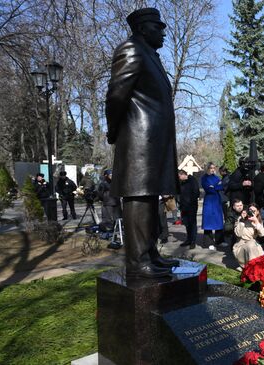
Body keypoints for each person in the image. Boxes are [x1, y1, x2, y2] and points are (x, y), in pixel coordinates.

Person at [105, 7, 179, 277]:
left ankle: (150, 254)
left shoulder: (151, 55)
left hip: (155, 140)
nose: (163, 31)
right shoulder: (131, 49)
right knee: (138, 197)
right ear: (143, 28)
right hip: (138, 139)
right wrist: (114, 131)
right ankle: (137, 263)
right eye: (158, 27)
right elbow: (116, 95)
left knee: (150, 197)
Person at [233, 203, 264, 270]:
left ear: (257, 212)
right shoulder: (241, 219)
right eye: (250, 210)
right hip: (241, 247)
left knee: (252, 245)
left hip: (253, 245)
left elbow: (263, 234)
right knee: (250, 245)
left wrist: (256, 222)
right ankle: (252, 269)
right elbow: (238, 234)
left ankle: (249, 267)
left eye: (253, 211)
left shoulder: (258, 220)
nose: (251, 212)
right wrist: (242, 220)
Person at [201, 162, 225, 250]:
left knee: (219, 221)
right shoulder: (204, 178)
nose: (213, 169)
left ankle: (220, 241)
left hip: (217, 201)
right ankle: (208, 243)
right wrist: (216, 186)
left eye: (214, 168)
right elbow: (208, 189)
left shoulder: (216, 177)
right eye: (211, 168)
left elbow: (221, 186)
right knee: (208, 222)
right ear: (207, 168)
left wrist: (214, 187)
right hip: (209, 201)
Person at [177, 169, 199, 249]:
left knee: (192, 224)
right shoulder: (181, 183)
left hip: (191, 206)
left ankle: (193, 241)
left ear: (183, 174)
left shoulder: (192, 180)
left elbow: (196, 192)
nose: (179, 178)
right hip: (184, 206)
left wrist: (190, 202)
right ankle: (188, 239)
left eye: (179, 176)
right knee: (186, 224)